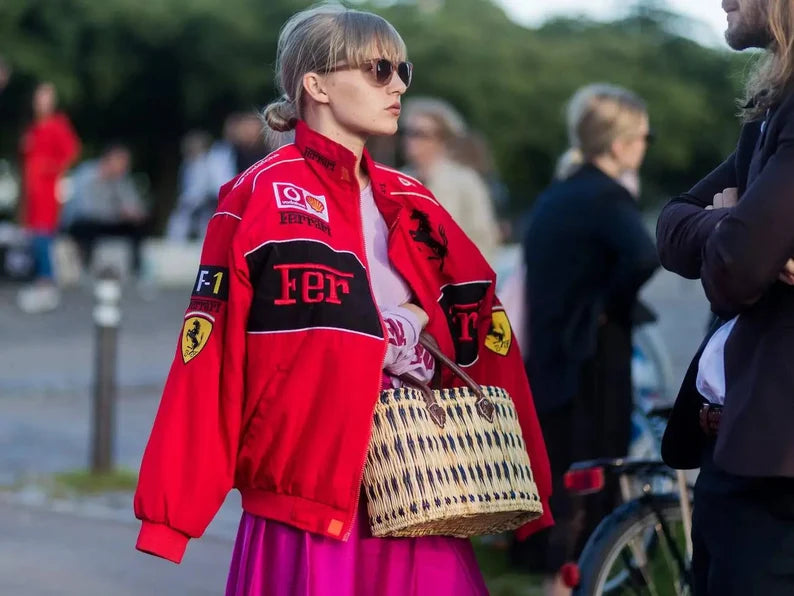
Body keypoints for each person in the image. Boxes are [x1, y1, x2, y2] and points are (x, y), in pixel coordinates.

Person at [133, 4, 552, 594]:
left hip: (418, 480)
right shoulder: (254, 196)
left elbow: (483, 321)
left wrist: (529, 473)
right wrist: (171, 513)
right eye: (380, 69)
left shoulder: (413, 200)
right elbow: (209, 354)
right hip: (305, 494)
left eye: (403, 68)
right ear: (317, 83)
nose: (400, 84)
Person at [657, 1, 794, 593]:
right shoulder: (770, 110)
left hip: (773, 470)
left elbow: (737, 271)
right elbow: (672, 223)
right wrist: (728, 224)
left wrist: (736, 233)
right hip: (741, 450)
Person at [517, 84, 658, 596]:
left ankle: (561, 576)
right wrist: (608, 305)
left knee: (562, 471)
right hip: (592, 360)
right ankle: (578, 578)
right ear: (620, 143)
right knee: (595, 472)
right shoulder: (605, 194)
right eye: (643, 136)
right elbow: (644, 254)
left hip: (553, 355)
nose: (645, 145)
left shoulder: (559, 191)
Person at [400, 97, 502, 265]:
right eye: (406, 132)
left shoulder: (465, 181)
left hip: (454, 282)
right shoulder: (397, 179)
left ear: (441, 139)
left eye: (418, 134)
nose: (409, 140)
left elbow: (484, 239)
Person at [17, 82, 80, 313]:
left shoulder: (57, 125)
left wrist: (51, 169)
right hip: (31, 195)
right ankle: (41, 280)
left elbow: (71, 152)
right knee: (35, 237)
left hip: (47, 193)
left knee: (43, 236)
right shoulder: (33, 128)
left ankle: (48, 282)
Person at [63, 143, 148, 277]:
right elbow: (85, 210)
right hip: (81, 222)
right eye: (122, 162)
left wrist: (133, 213)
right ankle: (85, 268)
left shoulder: (120, 180)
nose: (125, 167)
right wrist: (119, 213)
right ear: (109, 160)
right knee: (88, 226)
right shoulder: (86, 175)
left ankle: (136, 270)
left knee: (138, 227)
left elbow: (134, 204)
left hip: (107, 221)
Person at [166, 131, 215, 241]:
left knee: (205, 225)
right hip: (189, 202)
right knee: (179, 221)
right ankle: (174, 243)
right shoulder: (186, 164)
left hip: (205, 202)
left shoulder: (209, 163)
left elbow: (209, 186)